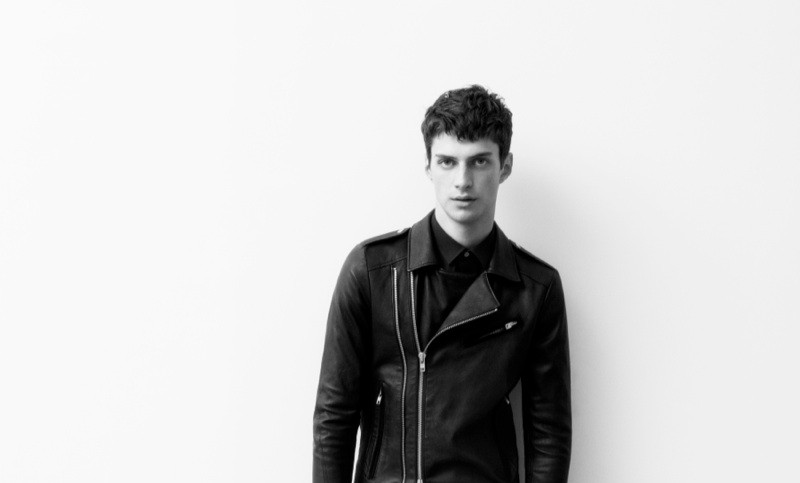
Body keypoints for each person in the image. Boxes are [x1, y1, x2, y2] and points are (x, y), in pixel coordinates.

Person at [313, 85, 571, 483]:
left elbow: (548, 432)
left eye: (479, 161)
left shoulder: (536, 287)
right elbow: (334, 415)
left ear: (505, 166)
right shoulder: (372, 270)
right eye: (448, 162)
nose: (462, 181)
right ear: (428, 166)